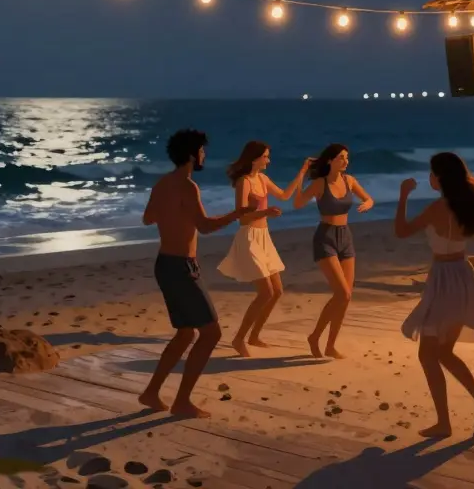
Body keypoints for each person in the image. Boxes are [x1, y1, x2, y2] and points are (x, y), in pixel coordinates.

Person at [137, 128, 263, 418]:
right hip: (180, 267)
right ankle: (182, 401)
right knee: (211, 332)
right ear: (193, 154)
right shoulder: (187, 186)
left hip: (165, 264)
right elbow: (205, 226)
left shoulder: (162, 184)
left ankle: (151, 392)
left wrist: (173, 215)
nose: (204, 155)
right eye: (202, 150)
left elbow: (148, 218)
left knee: (185, 334)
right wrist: (237, 214)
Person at [395, 152, 474, 437]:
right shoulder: (466, 206)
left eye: (432, 174)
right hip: (463, 276)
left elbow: (402, 231)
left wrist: (403, 196)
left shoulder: (438, 208)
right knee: (443, 351)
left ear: (440, 178)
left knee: (428, 354)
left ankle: (445, 423)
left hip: (444, 279)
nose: (430, 178)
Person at [218, 141, 311, 357]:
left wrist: (303, 171)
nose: (269, 160)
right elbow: (241, 218)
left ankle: (254, 335)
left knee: (277, 291)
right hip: (249, 238)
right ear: (255, 158)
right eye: (266, 156)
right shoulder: (244, 182)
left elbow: (285, 195)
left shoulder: (263, 179)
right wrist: (264, 213)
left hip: (264, 238)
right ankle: (238, 339)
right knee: (265, 292)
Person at [293, 143, 373, 359]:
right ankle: (314, 337)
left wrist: (368, 203)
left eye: (347, 157)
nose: (346, 161)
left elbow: (368, 198)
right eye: (341, 157)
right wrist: (302, 173)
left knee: (346, 298)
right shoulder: (320, 184)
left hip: (345, 237)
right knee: (342, 293)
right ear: (330, 160)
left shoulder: (350, 181)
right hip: (325, 238)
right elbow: (298, 203)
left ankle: (330, 345)